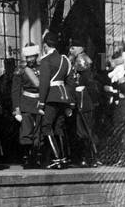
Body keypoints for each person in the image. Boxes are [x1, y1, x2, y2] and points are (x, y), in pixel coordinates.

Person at [37, 30, 73, 169]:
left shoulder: (46, 60)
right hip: (63, 97)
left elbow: (44, 83)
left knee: (46, 127)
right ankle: (63, 158)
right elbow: (70, 82)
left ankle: (57, 158)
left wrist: (41, 102)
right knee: (59, 127)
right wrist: (70, 102)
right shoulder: (65, 60)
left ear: (45, 45)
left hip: (51, 97)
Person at [68, 39, 100, 167]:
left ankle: (89, 157)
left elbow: (86, 81)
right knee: (83, 130)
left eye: (73, 46)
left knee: (85, 130)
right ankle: (87, 157)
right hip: (81, 99)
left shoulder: (82, 60)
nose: (71, 49)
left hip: (84, 99)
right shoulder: (78, 59)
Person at [12, 43, 43, 168]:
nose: (30, 59)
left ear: (36, 56)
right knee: (26, 132)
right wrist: (17, 110)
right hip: (26, 103)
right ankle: (27, 158)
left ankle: (36, 157)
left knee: (39, 132)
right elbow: (15, 91)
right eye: (28, 57)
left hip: (39, 103)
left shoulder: (43, 68)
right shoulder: (20, 70)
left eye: (32, 56)